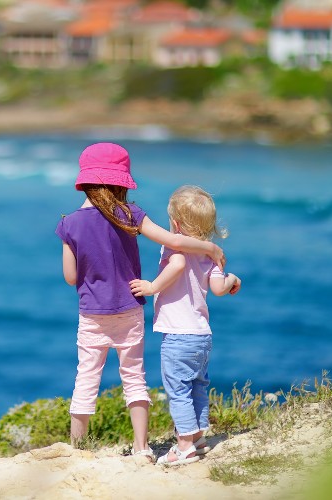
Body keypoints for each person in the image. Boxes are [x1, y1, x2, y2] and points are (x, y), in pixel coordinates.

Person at [56, 144, 225, 462]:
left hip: (92, 313)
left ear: (84, 181)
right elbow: (174, 241)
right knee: (134, 377)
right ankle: (142, 447)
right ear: (121, 182)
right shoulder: (130, 214)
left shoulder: (69, 224)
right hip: (130, 308)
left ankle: (78, 450)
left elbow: (69, 276)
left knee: (86, 378)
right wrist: (210, 250)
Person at [129, 185, 241, 467]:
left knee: (178, 391)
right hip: (202, 335)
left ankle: (184, 446)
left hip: (178, 336)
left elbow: (177, 264)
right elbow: (217, 288)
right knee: (198, 387)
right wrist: (232, 280)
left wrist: (152, 287)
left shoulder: (174, 244)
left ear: (175, 224)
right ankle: (199, 438)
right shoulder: (211, 256)